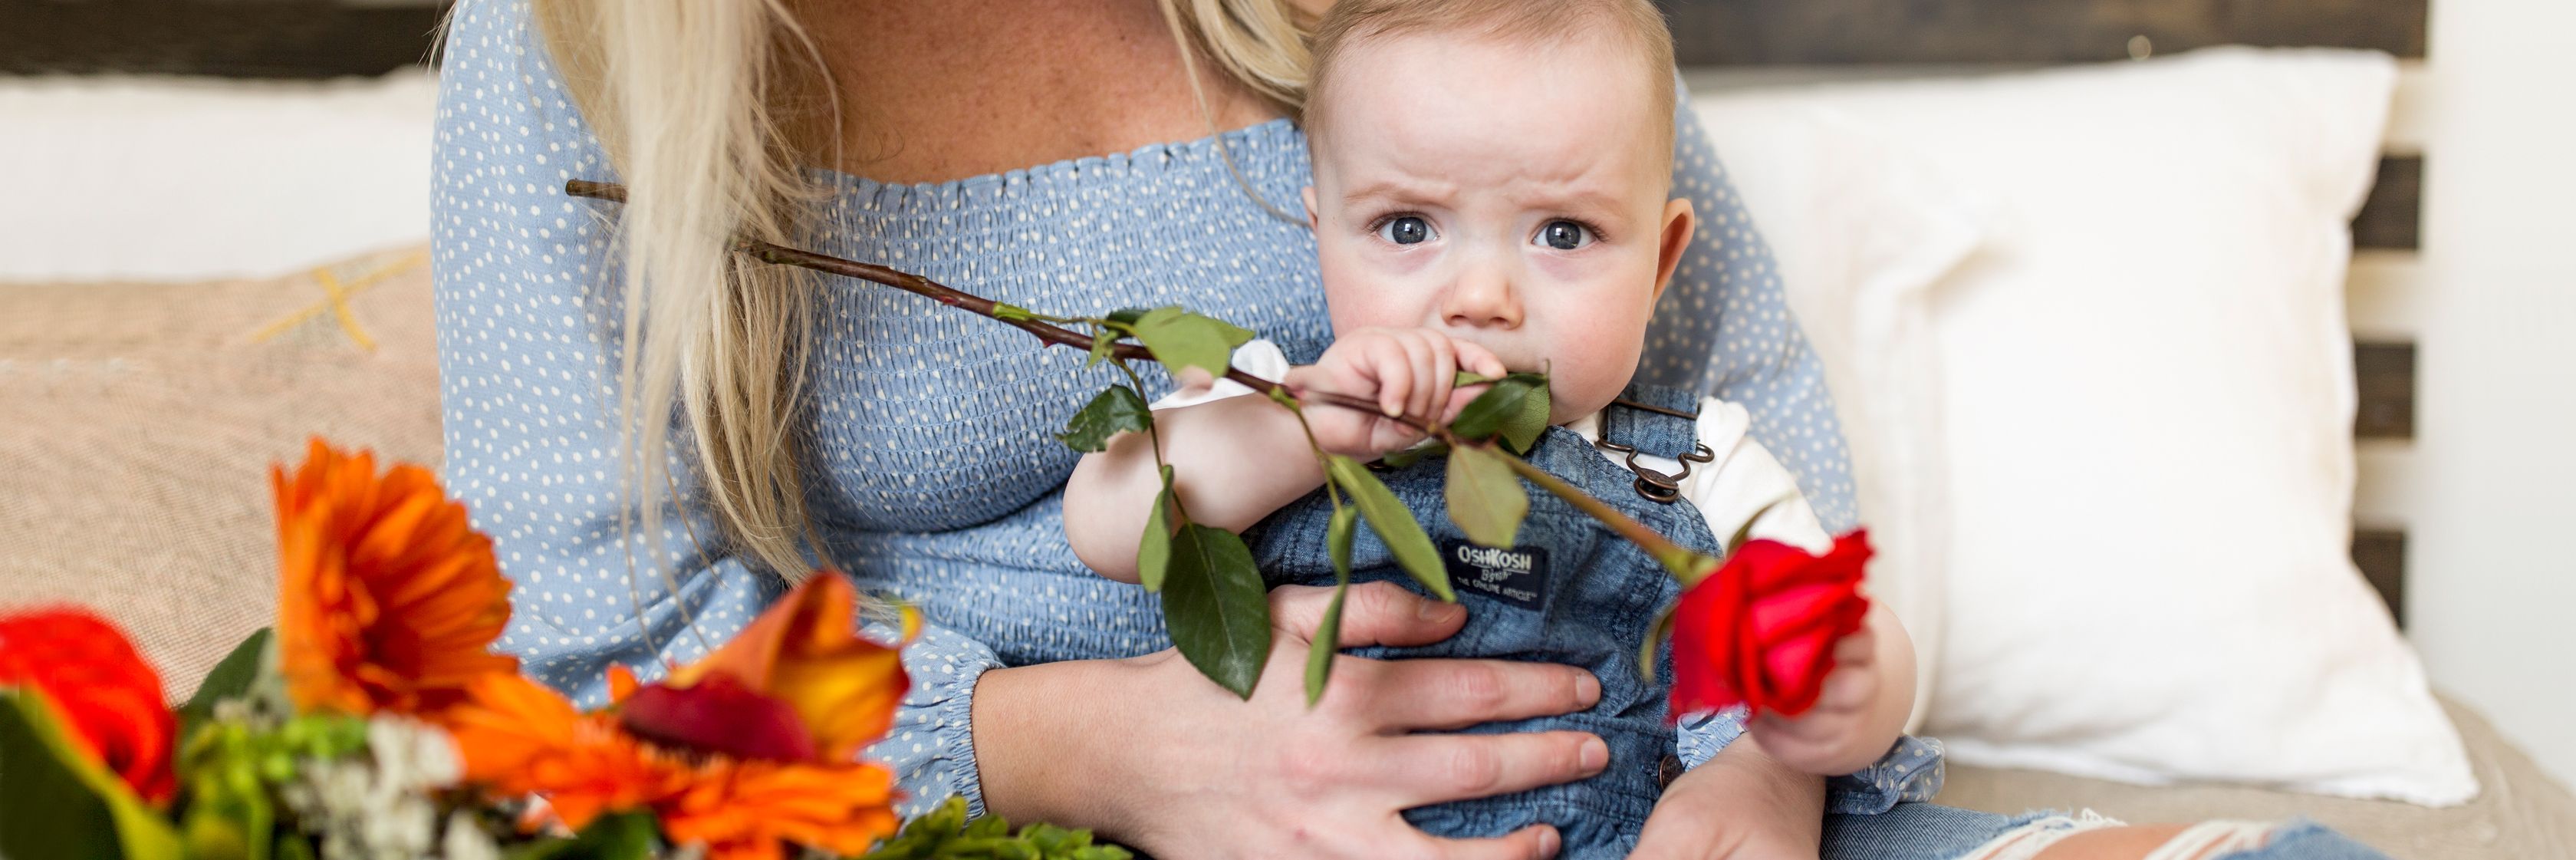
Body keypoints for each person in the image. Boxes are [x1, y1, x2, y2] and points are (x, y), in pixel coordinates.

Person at [431, 0, 2392, 856]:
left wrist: (1766, 770)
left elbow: (1730, 400)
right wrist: (1089, 749)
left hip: (1623, 786)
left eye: (1524, 238)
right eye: (1401, 229)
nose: (1470, 290)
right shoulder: (584, 51)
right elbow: (575, 658)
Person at [1060, 2, 1926, 856]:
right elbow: (1105, 520)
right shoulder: (1279, 401)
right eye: (1407, 227)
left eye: (1562, 231)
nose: (1479, 296)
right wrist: (1298, 430)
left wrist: (1787, 746)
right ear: (1320, 233)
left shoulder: (1689, 461)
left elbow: (1838, 627)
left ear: (1658, 263)